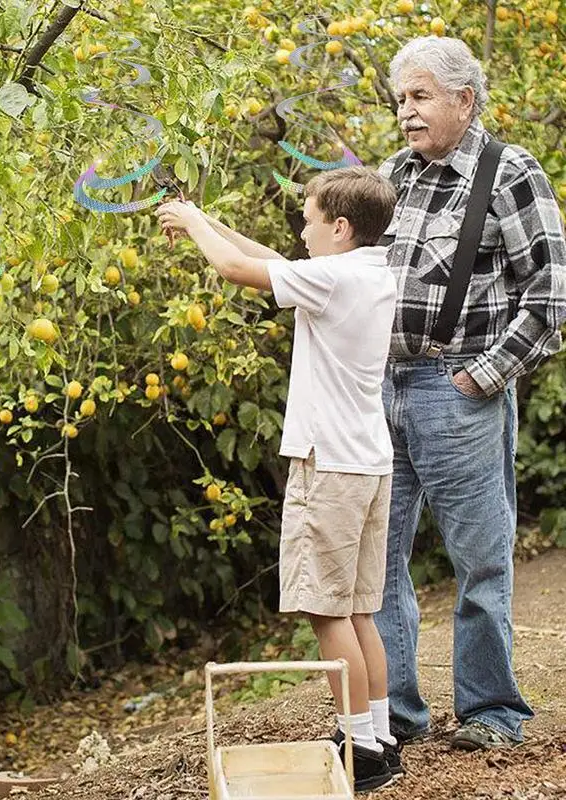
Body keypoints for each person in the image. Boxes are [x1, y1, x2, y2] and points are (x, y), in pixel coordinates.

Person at [155, 166, 403, 792]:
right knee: (359, 612)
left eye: (310, 217)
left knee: (325, 614)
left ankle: (358, 747)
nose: (301, 227)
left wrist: (188, 224)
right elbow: (269, 261)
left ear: (340, 228)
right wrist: (204, 220)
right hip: (370, 463)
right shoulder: (369, 270)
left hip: (330, 467)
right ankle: (378, 739)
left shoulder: (337, 277)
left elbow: (239, 272)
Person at [374, 36, 566, 751]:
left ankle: (492, 711)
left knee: (480, 559)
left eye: (420, 97)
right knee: (379, 558)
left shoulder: (510, 171)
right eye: (401, 99)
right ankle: (392, 715)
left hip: (459, 392)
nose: (406, 113)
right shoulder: (396, 173)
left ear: (465, 100)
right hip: (382, 389)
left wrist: (479, 377)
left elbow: (550, 297)